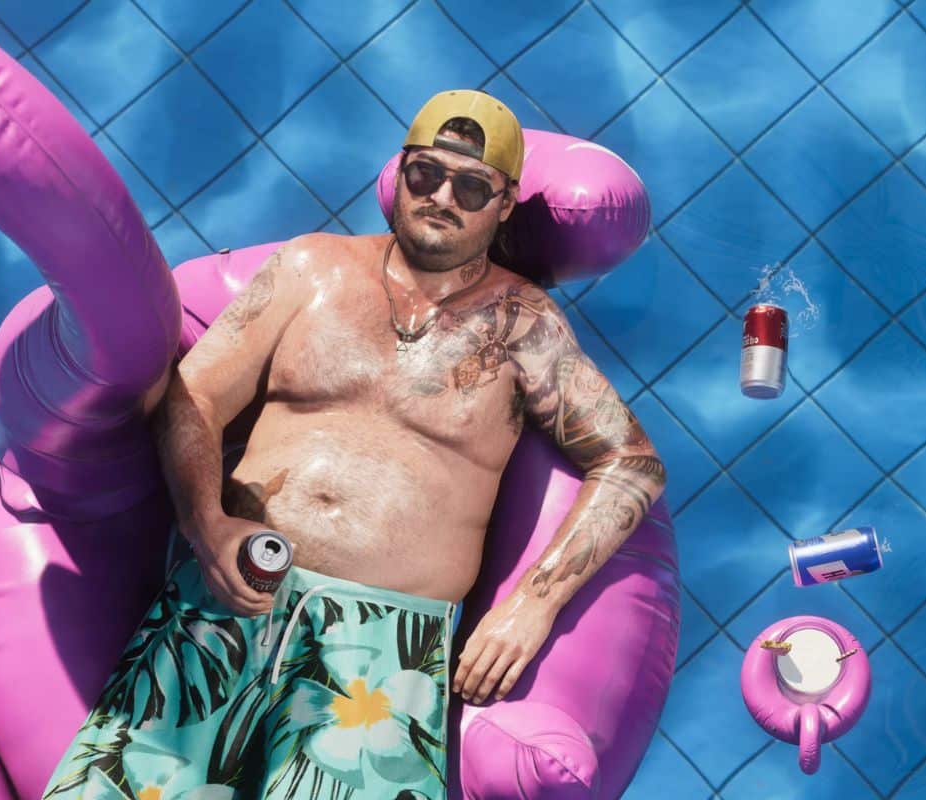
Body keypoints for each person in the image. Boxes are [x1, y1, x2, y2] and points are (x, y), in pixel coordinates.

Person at [42, 90, 666, 800]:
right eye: (426, 173)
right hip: (224, 600)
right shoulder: (313, 267)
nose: (442, 198)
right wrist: (204, 524)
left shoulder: (524, 326)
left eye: (470, 187)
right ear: (399, 172)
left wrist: (532, 604)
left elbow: (630, 464)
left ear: (504, 204)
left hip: (382, 650)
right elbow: (195, 396)